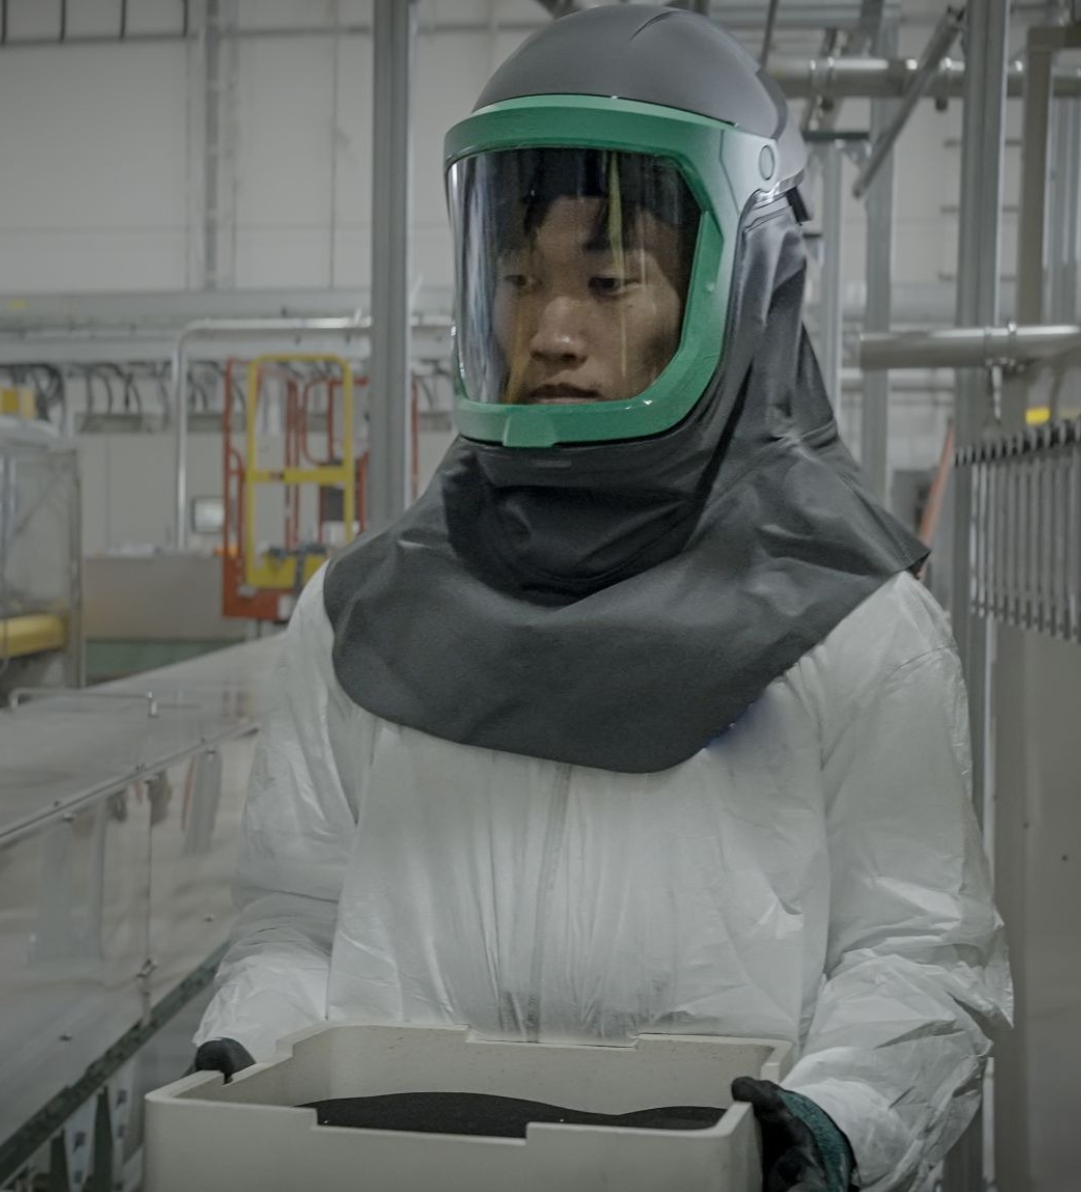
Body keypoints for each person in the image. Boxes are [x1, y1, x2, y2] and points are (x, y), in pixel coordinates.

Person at [190, 9, 1011, 1191]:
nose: (550, 329)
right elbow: (292, 923)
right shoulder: (361, 613)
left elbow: (919, 952)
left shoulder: (850, 620)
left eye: (607, 280)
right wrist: (250, 1064)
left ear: (741, 286)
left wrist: (826, 1126)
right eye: (518, 276)